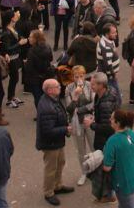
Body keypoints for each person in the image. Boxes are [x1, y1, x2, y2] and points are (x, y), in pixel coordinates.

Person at [36, 78, 75, 206]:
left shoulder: (52, 100)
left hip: (57, 141)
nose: (60, 87)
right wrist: (66, 129)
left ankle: (57, 186)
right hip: (50, 144)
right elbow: (48, 131)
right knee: (51, 168)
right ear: (49, 90)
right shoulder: (47, 107)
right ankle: (48, 192)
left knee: (60, 163)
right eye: (57, 86)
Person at [102, 108, 134, 208]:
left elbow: (107, 167)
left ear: (118, 123)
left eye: (112, 119)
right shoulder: (131, 133)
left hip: (123, 182)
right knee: (125, 203)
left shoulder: (112, 141)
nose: (110, 120)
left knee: (128, 204)